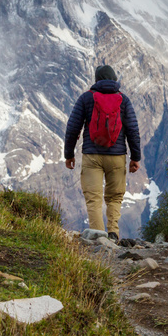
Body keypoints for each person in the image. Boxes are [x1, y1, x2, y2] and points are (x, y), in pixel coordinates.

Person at [63, 64, 141, 240]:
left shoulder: (86, 98)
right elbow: (132, 130)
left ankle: (98, 238)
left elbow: (72, 128)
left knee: (94, 199)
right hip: (117, 156)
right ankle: (113, 233)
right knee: (114, 198)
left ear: (96, 80)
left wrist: (69, 154)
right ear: (114, 79)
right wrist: (135, 157)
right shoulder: (123, 100)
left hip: (92, 156)